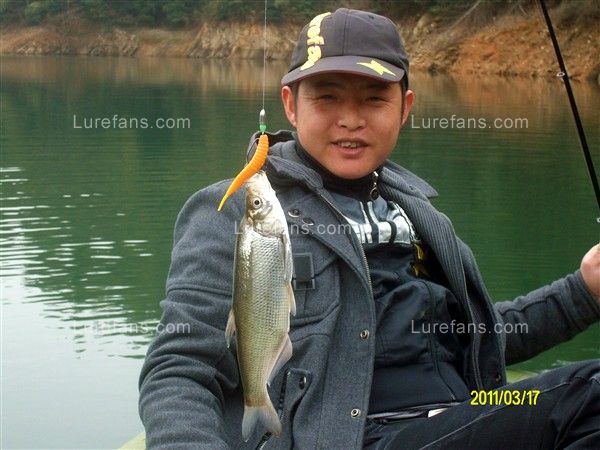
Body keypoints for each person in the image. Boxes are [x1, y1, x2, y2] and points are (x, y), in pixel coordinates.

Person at [139, 8, 600, 449]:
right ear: (291, 105)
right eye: (327, 97)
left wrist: (584, 291)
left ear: (404, 108)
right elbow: (180, 368)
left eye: (374, 98)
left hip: (464, 417)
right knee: (590, 392)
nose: (351, 119)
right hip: (362, 436)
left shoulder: (417, 211)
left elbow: (478, 337)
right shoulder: (238, 211)